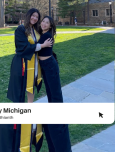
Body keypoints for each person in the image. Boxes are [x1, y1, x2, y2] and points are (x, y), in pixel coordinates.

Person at [38, 16, 72, 152]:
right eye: (43, 21)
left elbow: (34, 48)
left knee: (55, 95)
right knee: (51, 94)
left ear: (50, 26)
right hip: (46, 66)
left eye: (47, 22)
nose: (44, 24)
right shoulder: (43, 35)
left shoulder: (46, 36)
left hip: (49, 66)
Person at [7, 8, 53, 103]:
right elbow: (24, 46)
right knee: (21, 87)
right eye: (33, 15)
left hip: (34, 62)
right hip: (22, 63)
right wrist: (43, 45)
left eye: (37, 17)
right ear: (28, 16)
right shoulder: (21, 29)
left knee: (31, 85)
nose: (35, 18)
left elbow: (41, 39)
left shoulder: (36, 29)